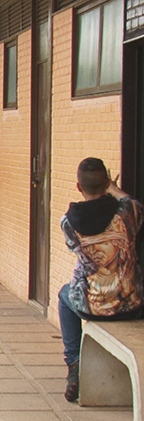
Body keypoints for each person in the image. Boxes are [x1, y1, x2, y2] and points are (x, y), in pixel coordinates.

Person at [57, 157, 144, 402]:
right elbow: (131, 202)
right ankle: (74, 365)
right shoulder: (128, 213)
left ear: (78, 187)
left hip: (92, 307)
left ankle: (74, 365)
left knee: (65, 296)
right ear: (106, 182)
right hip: (132, 305)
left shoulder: (68, 223)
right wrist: (114, 190)